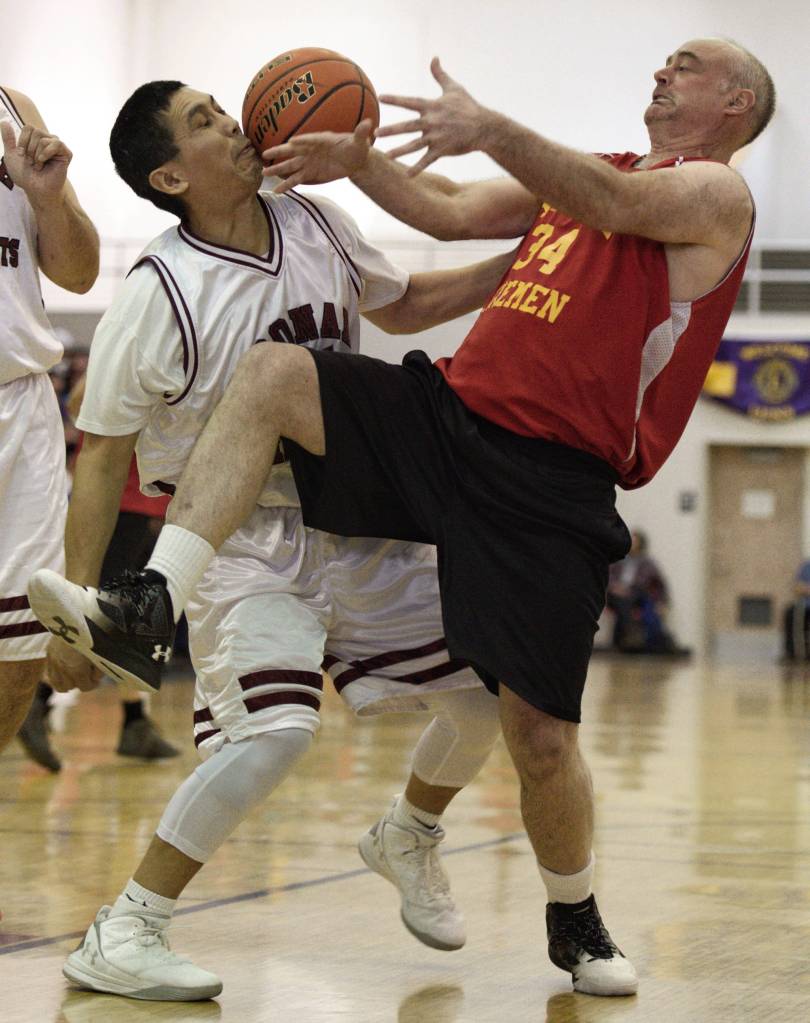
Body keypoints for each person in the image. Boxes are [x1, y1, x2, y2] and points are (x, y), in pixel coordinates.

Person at [28, 37, 774, 998]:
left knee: (515, 719)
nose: (661, 72)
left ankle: (487, 868)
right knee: (274, 377)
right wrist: (361, 159)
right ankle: (144, 608)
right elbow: (452, 210)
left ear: (736, 100)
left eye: (686, 64)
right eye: (662, 61)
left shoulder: (709, 195)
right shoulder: (163, 283)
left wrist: (484, 129)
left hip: (542, 480)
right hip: (408, 441)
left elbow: (586, 218)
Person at [28, 81, 511, 1000]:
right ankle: (126, 926)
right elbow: (101, 454)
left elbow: (404, 304)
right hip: (234, 537)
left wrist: (519, 265)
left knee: (491, 697)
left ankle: (407, 832)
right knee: (276, 734)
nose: (234, 125)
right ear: (170, 174)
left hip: (355, 513)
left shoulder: (317, 223)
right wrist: (72, 606)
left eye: (223, 106)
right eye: (205, 123)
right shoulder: (161, 290)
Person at [0, 86, 98, 758]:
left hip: (19, 401)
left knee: (19, 648)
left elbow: (82, 271)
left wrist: (48, 199)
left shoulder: (13, 106)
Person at [18, 376, 179, 771]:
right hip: (115, 505)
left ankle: (134, 723)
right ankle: (35, 702)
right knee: (95, 610)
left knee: (131, 619)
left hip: (150, 506)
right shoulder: (131, 343)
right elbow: (78, 401)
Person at [605, 529, 677, 654]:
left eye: (634, 540)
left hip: (636, 595)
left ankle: (630, 638)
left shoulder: (648, 563)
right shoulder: (618, 560)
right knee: (623, 601)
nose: (632, 543)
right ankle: (631, 635)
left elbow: (659, 584)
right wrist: (615, 587)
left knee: (636, 602)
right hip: (615, 594)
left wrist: (662, 602)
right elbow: (607, 577)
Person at [781, 558, 810, 661]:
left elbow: (803, 588)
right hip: (805, 605)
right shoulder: (806, 566)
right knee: (789, 612)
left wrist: (806, 588)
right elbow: (797, 587)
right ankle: (791, 653)